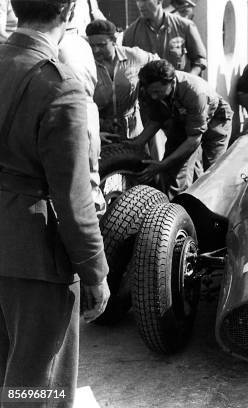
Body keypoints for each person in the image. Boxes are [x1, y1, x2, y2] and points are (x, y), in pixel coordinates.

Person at [0, 0, 110, 404]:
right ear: (68, 12)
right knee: (36, 387)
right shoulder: (59, 84)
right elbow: (74, 198)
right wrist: (96, 272)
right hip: (36, 257)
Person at [130, 59, 232, 199]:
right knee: (174, 175)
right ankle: (184, 208)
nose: (153, 96)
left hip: (216, 120)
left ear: (171, 83)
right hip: (182, 121)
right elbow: (156, 119)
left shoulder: (194, 92)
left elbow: (193, 140)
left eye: (157, 91)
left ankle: (213, 211)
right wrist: (136, 143)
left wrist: (162, 164)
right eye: (151, 92)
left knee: (213, 172)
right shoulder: (149, 88)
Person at [59, 19, 107, 218]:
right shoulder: (80, 44)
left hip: (72, 114)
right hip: (85, 113)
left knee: (83, 193)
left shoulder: (63, 46)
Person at [86, 19, 157, 139]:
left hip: (133, 131)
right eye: (92, 45)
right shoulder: (85, 63)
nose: (95, 50)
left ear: (114, 40)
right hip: (102, 132)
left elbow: (162, 68)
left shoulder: (134, 57)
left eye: (101, 45)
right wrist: (95, 135)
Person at [122, 0, 207, 75]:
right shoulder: (130, 34)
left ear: (159, 1)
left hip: (179, 89)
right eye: (137, 0)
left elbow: (199, 61)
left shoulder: (184, 26)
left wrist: (187, 80)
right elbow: (126, 68)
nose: (140, 5)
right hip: (148, 90)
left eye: (144, 0)